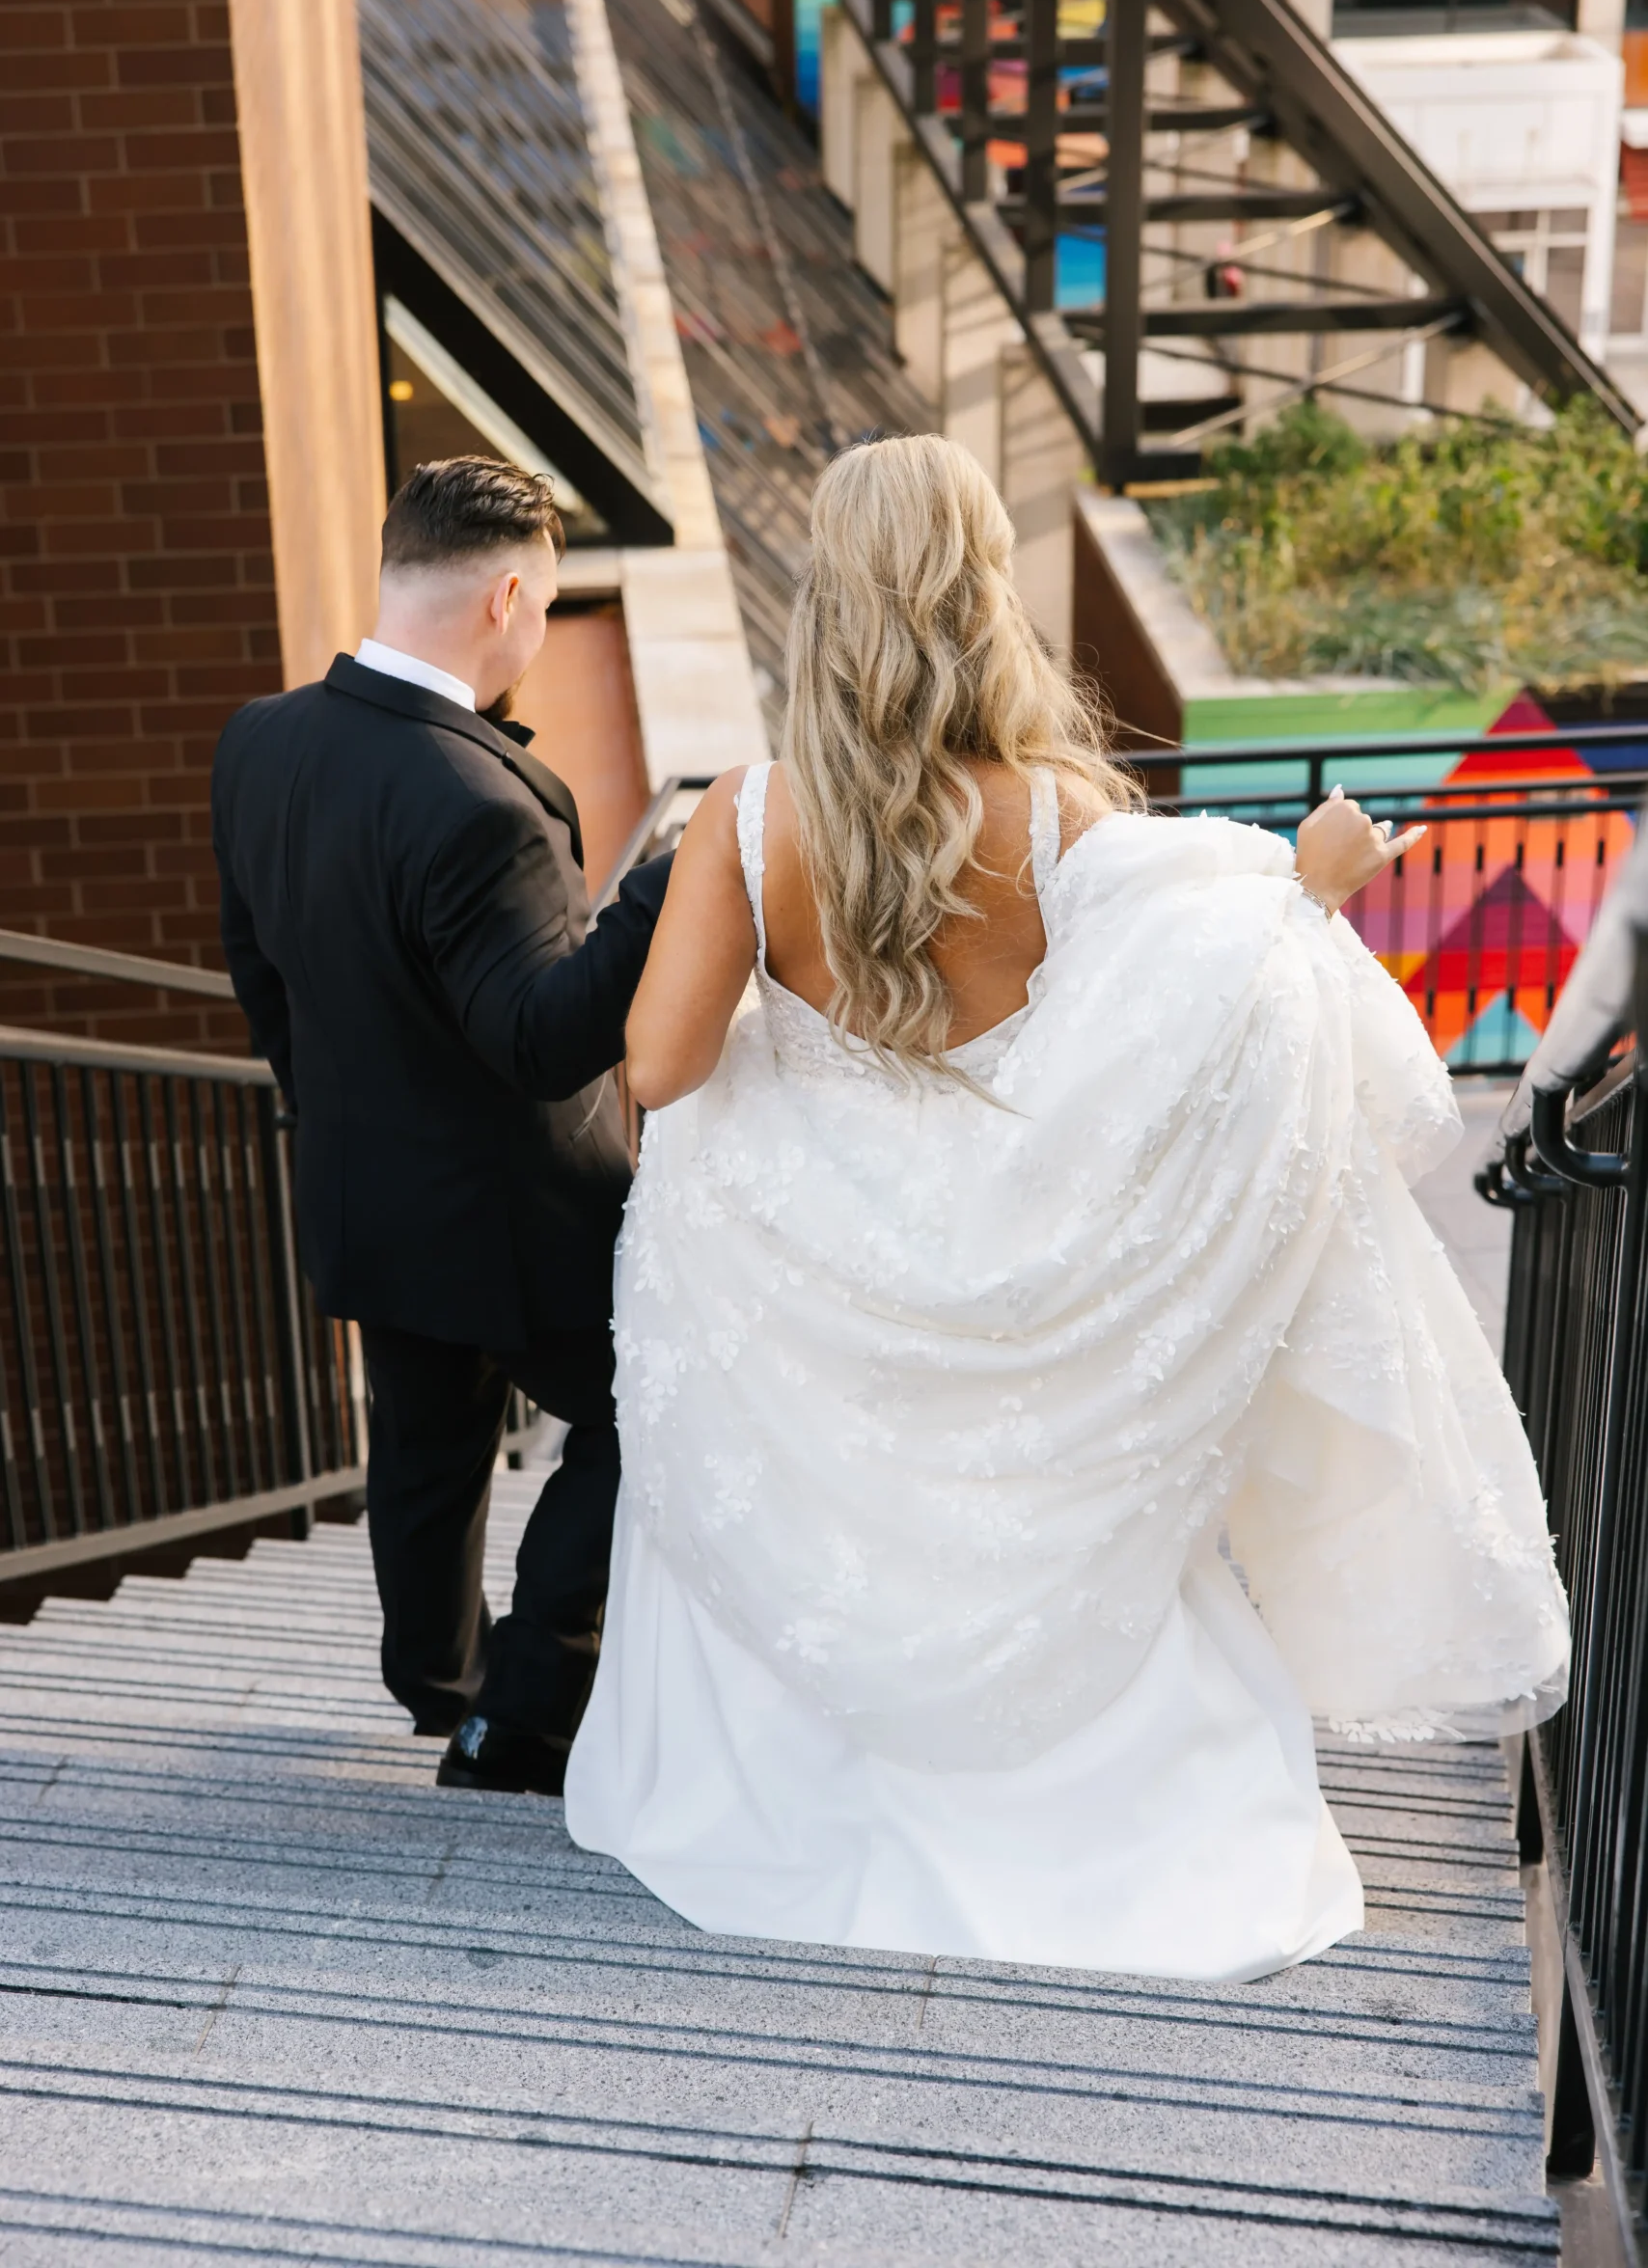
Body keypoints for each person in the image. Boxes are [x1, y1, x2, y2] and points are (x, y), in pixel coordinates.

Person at [563, 433, 1569, 1981]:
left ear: (830, 598)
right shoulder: (1061, 815)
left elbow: (663, 1068)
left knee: (791, 1415)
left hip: (814, 1269)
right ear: (980, 593)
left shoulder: (750, 820)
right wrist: (1306, 894)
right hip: (1012, 1249)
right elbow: (1182, 1013)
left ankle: (800, 1787)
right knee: (1010, 1506)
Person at [212, 456, 673, 1797]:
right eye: (548, 607)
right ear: (508, 597)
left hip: (365, 1190)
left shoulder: (260, 742)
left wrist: (341, 1118)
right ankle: (520, 1709)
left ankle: (436, 1680)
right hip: (519, 1215)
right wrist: (657, 896)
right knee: (655, 1409)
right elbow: (538, 1036)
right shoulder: (481, 804)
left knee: (425, 1445)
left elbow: (261, 975)